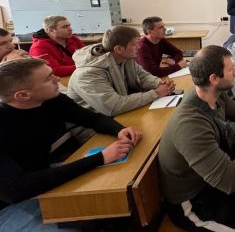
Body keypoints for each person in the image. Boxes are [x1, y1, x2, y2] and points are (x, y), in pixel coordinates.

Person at [0, 59, 141, 231]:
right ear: (22, 95)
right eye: (48, 78)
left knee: (119, 199)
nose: (58, 79)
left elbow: (91, 118)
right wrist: (100, 158)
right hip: (11, 203)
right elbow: (16, 190)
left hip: (40, 179)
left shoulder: (51, 100)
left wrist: (119, 130)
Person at [158, 45, 235, 231]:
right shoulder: (190, 125)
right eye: (231, 69)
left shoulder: (210, 93)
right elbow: (229, 179)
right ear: (214, 78)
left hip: (212, 181)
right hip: (194, 203)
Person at [67, 25, 175, 116]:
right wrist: (156, 93)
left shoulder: (125, 58)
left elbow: (143, 76)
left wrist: (160, 84)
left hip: (114, 116)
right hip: (90, 126)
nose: (139, 47)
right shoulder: (88, 74)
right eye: (134, 44)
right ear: (118, 49)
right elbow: (113, 107)